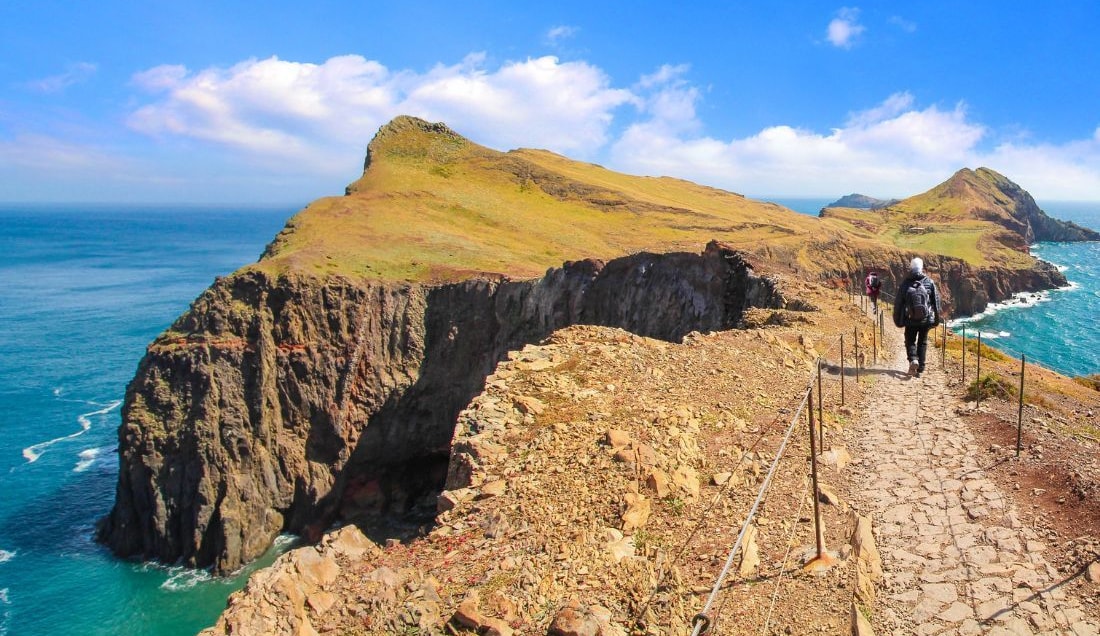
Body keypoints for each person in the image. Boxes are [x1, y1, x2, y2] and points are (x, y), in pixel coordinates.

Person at [892, 257, 941, 377]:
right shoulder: (929, 282)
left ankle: (913, 359)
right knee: (922, 342)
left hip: (910, 319)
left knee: (910, 340)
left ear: (911, 268)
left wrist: (898, 321)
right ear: (922, 268)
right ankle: (920, 369)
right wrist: (936, 320)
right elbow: (936, 301)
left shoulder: (905, 283)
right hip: (926, 319)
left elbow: (898, 303)